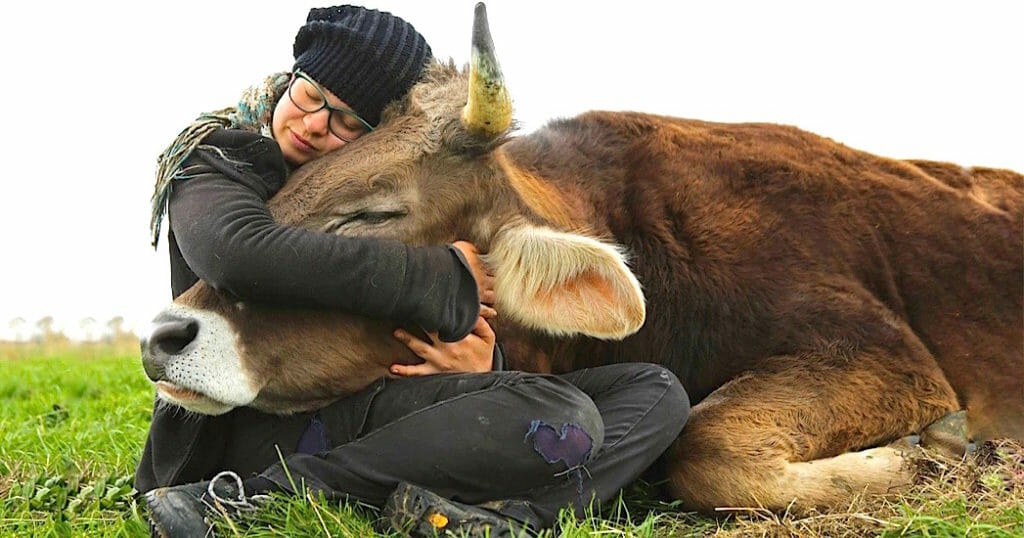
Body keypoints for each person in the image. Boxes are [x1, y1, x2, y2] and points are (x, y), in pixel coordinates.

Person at [139, 5, 690, 537]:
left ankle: (508, 520)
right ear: (289, 79)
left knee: (656, 390)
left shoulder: (345, 179)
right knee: (561, 413)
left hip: (361, 398)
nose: (313, 125)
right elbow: (238, 254)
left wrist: (483, 364)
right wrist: (446, 282)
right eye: (309, 95)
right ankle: (250, 499)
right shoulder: (215, 157)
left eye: (347, 121)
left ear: (372, 140)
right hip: (250, 422)